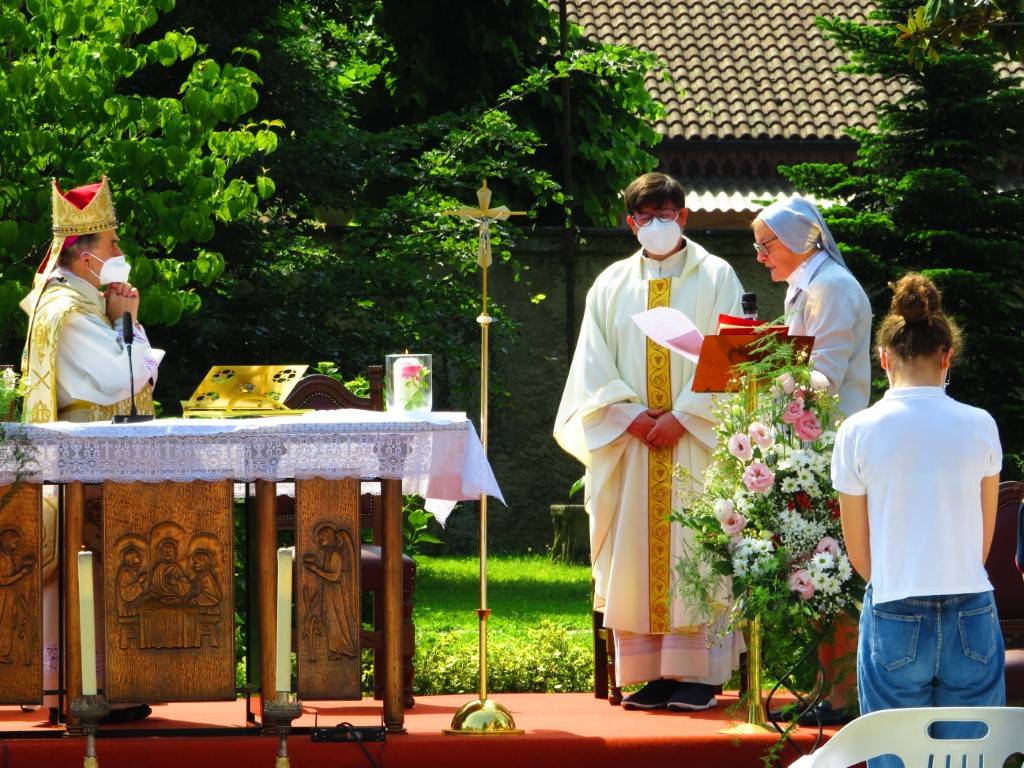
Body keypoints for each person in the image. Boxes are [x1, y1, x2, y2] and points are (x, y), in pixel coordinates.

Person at [554, 172, 745, 712]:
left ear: (683, 216)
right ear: (630, 221)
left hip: (695, 445)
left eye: (666, 214)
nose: (656, 225)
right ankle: (652, 674)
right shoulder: (610, 284)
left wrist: (683, 417)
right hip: (633, 446)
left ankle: (701, 677)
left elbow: (730, 355)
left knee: (699, 550)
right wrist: (633, 418)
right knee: (634, 556)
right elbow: (592, 364)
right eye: (645, 216)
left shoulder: (717, 275)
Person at [832, 273, 1003, 765]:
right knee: (970, 758)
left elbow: (858, 548)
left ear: (884, 358)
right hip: (971, 604)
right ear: (947, 356)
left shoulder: (857, 431)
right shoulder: (981, 425)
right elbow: (984, 539)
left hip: (893, 602)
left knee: (895, 756)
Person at [19, 176, 163, 723]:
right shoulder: (70, 311)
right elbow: (117, 378)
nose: (121, 254)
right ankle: (85, 687)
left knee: (105, 569)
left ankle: (96, 683)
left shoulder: (76, 300)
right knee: (97, 566)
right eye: (111, 244)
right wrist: (128, 321)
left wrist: (120, 318)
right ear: (84, 258)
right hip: (86, 465)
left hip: (94, 460)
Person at [753, 196, 871, 724]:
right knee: (815, 574)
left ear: (802, 239)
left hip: (832, 450)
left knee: (832, 573)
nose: (759, 256)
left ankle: (845, 697)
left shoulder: (832, 288)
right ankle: (831, 688)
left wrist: (756, 367)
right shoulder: (808, 286)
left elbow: (822, 380)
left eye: (766, 244)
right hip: (808, 448)